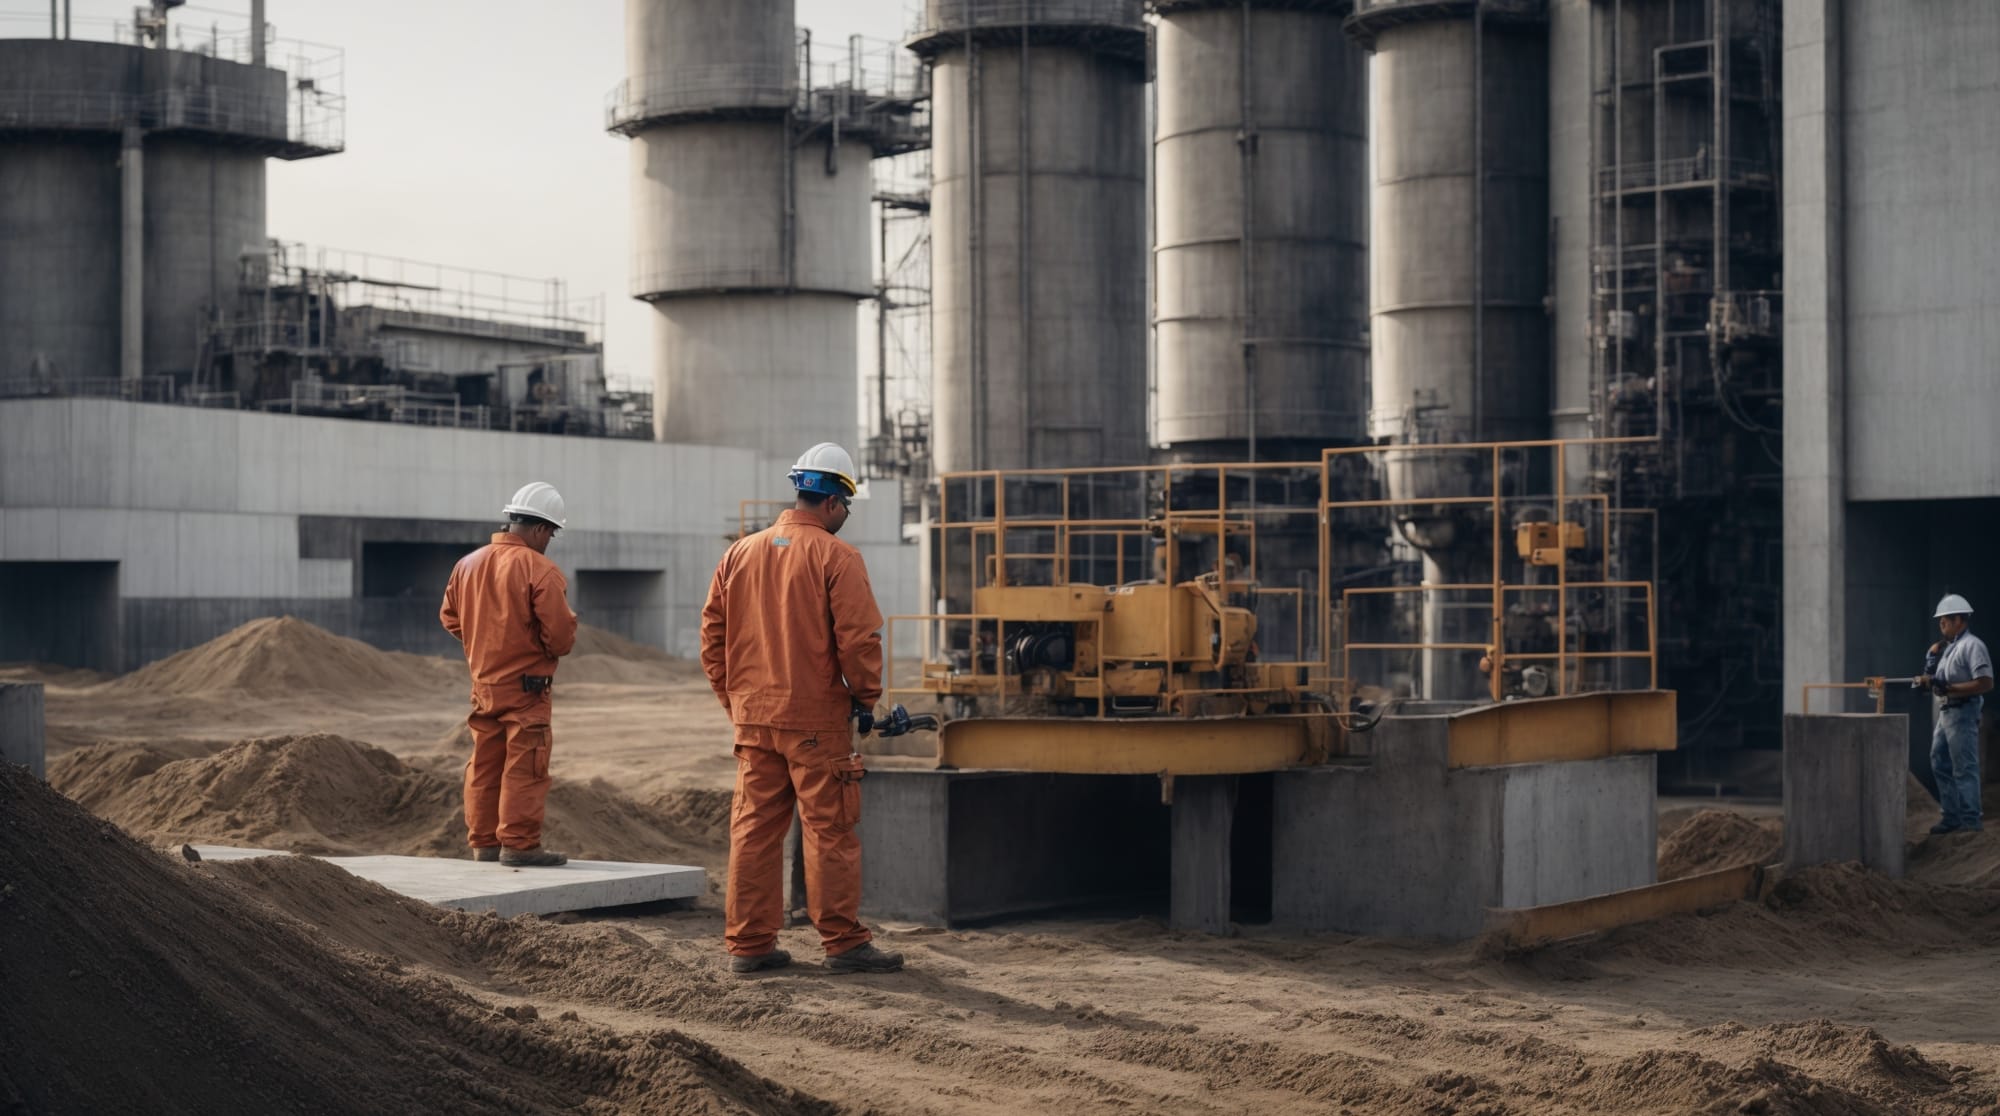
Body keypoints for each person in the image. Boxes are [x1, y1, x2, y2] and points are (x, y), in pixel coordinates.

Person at [700, 443, 904, 976]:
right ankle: (844, 943)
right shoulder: (837, 558)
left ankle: (749, 945)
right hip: (815, 723)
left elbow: (712, 638)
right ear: (835, 502)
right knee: (829, 829)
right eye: (847, 508)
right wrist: (865, 699)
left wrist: (735, 701)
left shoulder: (739, 554)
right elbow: (860, 641)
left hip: (754, 720)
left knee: (754, 830)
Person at [441, 482, 579, 866]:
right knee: (526, 764)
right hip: (526, 689)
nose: (550, 540)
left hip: (483, 685)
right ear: (539, 529)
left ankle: (484, 843)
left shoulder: (467, 564)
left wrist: (486, 643)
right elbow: (560, 638)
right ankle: (518, 845)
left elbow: (451, 618)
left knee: (485, 763)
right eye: (551, 533)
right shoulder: (540, 570)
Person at [1915, 593, 1992, 835]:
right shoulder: (1949, 649)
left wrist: (1949, 688)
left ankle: (1970, 821)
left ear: (1959, 619)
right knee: (1939, 761)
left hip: (1962, 711)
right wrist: (1931, 668)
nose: (1941, 625)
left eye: (1945, 621)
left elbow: (1986, 683)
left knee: (1964, 767)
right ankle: (1952, 816)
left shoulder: (1973, 646)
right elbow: (1940, 679)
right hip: (1947, 712)